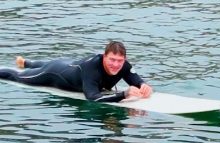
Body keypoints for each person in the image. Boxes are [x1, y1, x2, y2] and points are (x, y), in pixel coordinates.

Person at [0, 41, 152, 103]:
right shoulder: (92, 68)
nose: (116, 64)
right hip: (54, 74)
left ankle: (26, 62)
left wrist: (143, 85)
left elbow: (136, 80)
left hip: (68, 64)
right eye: (112, 60)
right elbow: (93, 98)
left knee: (51, 63)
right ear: (104, 56)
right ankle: (24, 66)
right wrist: (123, 95)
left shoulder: (124, 65)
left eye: (120, 61)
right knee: (17, 76)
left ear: (124, 59)